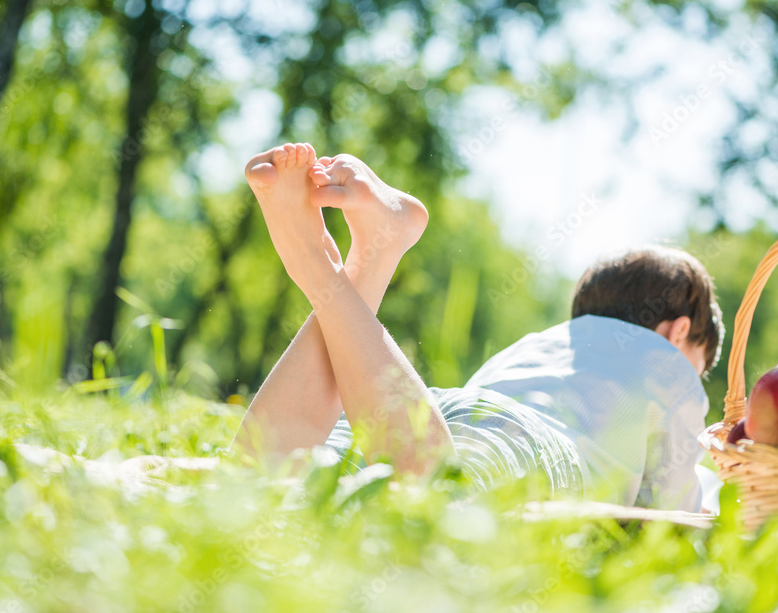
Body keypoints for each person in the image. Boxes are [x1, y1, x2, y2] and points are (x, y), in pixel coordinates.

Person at [234, 142, 724, 512]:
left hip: (438, 411)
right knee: (438, 501)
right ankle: (316, 264)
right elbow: (670, 505)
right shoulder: (662, 360)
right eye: (697, 368)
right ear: (677, 333)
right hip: (533, 448)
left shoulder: (534, 346)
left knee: (254, 479)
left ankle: (374, 257)